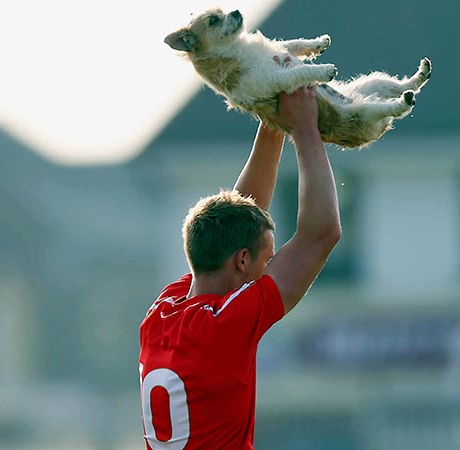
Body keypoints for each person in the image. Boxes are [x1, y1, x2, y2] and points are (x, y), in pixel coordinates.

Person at [139, 85, 341, 450]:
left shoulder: (162, 313)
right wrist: (305, 128)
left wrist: (272, 124)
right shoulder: (224, 324)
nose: (272, 267)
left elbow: (242, 217)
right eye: (269, 258)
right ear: (243, 261)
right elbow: (321, 234)